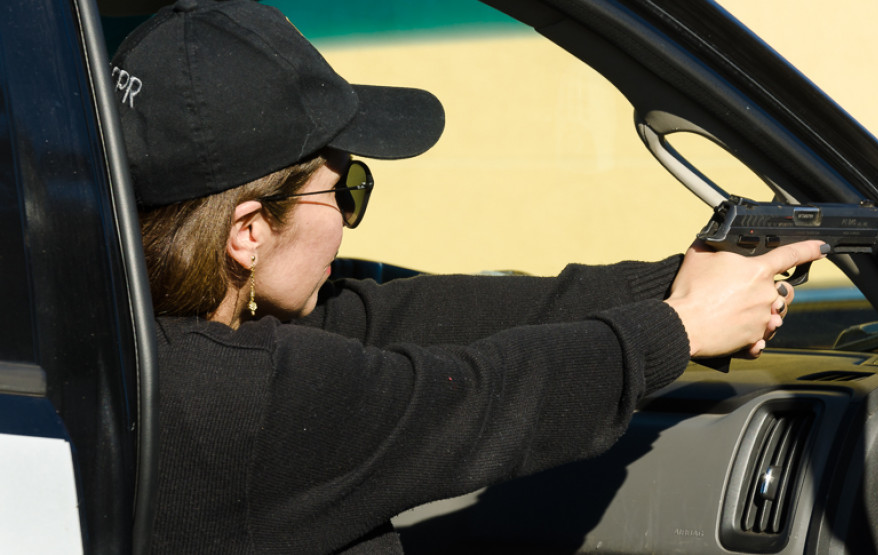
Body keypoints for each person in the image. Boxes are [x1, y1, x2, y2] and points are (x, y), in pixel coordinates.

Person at [112, 1, 826, 553]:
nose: (351, 215)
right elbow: (478, 398)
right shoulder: (234, 404)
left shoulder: (121, 340)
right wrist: (677, 327)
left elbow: (413, 318)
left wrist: (677, 283)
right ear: (247, 232)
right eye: (342, 189)